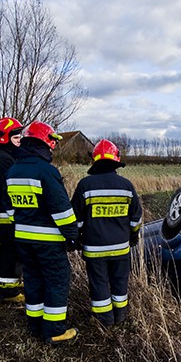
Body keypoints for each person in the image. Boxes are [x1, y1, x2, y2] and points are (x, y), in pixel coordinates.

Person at [6, 122, 79, 345]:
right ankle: (55, 331)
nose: (52, 148)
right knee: (57, 281)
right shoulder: (47, 172)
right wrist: (72, 236)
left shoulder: (13, 170)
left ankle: (35, 324)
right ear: (44, 143)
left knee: (33, 280)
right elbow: (62, 211)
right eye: (51, 144)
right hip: (48, 241)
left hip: (23, 239)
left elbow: (10, 210)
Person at [71, 139, 143, 327]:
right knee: (120, 282)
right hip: (121, 248)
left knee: (99, 283)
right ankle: (120, 316)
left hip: (94, 249)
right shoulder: (127, 186)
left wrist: (77, 238)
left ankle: (105, 320)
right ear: (116, 161)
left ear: (94, 160)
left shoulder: (85, 185)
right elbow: (136, 218)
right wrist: (133, 236)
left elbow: (76, 218)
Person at [0, 117, 25, 304]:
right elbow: (8, 187)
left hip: (5, 212)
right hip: (6, 214)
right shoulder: (3, 159)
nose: (20, 139)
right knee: (11, 250)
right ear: (5, 137)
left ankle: (10, 285)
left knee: (12, 250)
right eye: (16, 136)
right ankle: (7, 291)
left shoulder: (2, 156)